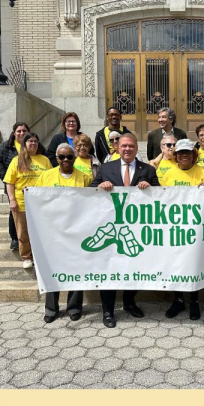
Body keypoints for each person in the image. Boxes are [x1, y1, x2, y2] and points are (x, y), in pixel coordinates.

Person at [90, 133, 159, 327]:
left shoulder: (147, 170)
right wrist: (100, 185)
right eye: (124, 146)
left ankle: (129, 302)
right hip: (111, 228)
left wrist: (150, 188)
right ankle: (108, 311)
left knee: (134, 268)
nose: (127, 149)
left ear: (137, 148)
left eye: (131, 146)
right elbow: (90, 191)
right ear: (117, 148)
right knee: (109, 269)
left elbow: (162, 196)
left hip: (135, 230)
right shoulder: (106, 168)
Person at [36, 144, 90, 322]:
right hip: (52, 232)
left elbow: (93, 202)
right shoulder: (46, 176)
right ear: (56, 158)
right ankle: (51, 309)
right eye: (62, 157)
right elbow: (36, 200)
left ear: (74, 158)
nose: (66, 160)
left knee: (76, 269)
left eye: (69, 157)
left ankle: (74, 307)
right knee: (51, 269)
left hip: (77, 231)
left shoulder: (85, 177)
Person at [159, 140, 204, 320]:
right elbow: (161, 199)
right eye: (180, 153)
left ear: (193, 155)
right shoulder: (169, 174)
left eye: (187, 153)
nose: (183, 156)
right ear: (176, 155)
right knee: (176, 263)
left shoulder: (203, 173)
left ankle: (194, 301)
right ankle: (179, 300)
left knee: (194, 263)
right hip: (175, 228)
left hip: (196, 228)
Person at [3, 131, 51, 269]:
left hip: (40, 203)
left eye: (36, 141)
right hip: (22, 202)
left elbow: (50, 178)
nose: (33, 144)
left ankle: (39, 256)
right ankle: (26, 257)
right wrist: (12, 200)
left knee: (40, 231)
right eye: (30, 141)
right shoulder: (16, 160)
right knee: (23, 232)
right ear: (24, 144)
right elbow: (9, 182)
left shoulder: (45, 160)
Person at [0, 122, 29, 251]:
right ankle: (15, 238)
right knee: (14, 212)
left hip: (31, 185)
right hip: (13, 185)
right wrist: (5, 176)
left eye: (24, 130)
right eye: (19, 131)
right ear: (14, 133)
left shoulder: (33, 143)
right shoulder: (6, 146)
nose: (21, 133)